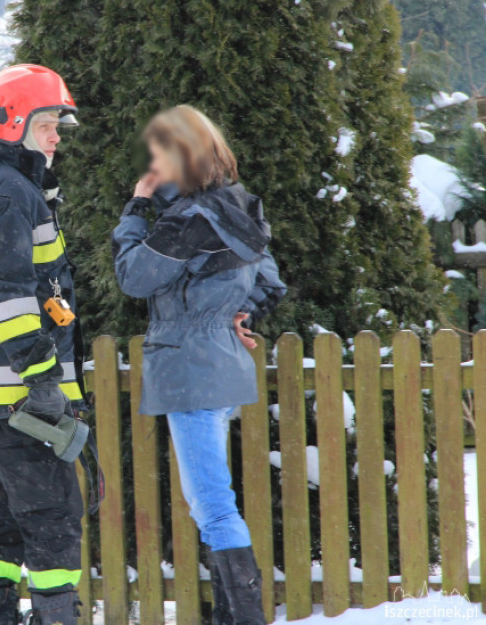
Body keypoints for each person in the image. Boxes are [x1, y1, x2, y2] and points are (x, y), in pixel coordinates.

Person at [112, 105, 287, 625]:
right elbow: (269, 281)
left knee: (211, 505)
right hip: (222, 365)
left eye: (160, 154)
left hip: (190, 369)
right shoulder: (238, 207)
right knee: (207, 500)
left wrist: (135, 209)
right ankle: (233, 615)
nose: (153, 163)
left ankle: (244, 618)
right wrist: (237, 312)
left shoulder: (188, 221)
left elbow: (133, 277)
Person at [0, 64, 87, 625]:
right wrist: (42, 377)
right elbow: (6, 292)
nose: (56, 137)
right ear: (12, 124)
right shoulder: (10, 190)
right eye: (46, 124)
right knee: (53, 516)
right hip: (21, 397)